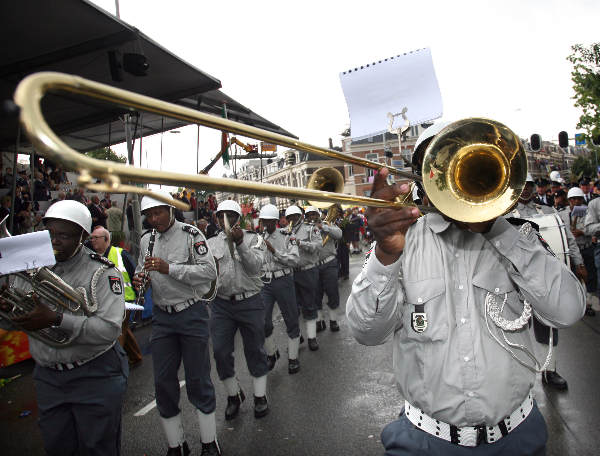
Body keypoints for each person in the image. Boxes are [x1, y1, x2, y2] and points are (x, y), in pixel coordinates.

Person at [346, 122, 585, 455]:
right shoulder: (401, 243)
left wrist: (500, 230)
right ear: (422, 182)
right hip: (424, 442)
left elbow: (568, 311)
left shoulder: (520, 237)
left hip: (517, 437)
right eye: (440, 169)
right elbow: (366, 332)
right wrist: (386, 253)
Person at [0, 200, 128, 455]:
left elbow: (109, 330)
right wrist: (5, 310)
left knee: (97, 448)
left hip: (95, 373)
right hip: (48, 377)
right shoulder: (28, 263)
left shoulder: (103, 272)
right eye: (50, 233)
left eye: (64, 236)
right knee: (57, 446)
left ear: (82, 236)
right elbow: (17, 318)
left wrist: (57, 319)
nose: (54, 241)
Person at [132, 190, 220, 456]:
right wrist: (139, 279)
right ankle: (176, 444)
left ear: (171, 210)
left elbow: (208, 272)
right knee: (162, 382)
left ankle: (208, 442)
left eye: (158, 212)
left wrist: (169, 268)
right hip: (162, 317)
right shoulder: (147, 238)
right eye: (149, 215)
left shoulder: (192, 235)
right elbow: (141, 269)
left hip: (190, 313)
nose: (154, 219)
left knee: (198, 378)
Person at [507, 174, 585, 391]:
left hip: (543, 279)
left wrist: (577, 263)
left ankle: (550, 371)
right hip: (514, 280)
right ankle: (518, 375)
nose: (525, 190)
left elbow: (567, 238)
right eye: (521, 186)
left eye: (529, 186)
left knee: (548, 327)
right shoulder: (502, 214)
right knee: (515, 327)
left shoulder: (549, 211)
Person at [206, 200, 270, 420]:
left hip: (250, 301)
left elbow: (255, 267)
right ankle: (234, 395)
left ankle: (260, 396)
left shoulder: (254, 238)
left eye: (231, 216)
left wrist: (241, 243)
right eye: (222, 215)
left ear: (239, 219)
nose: (226, 220)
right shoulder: (211, 243)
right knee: (221, 352)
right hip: (222, 304)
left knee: (255, 349)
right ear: (216, 218)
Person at [258, 203, 301, 374]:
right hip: (265, 283)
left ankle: (293, 357)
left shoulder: (286, 235)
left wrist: (274, 251)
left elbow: (295, 260)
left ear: (275, 221)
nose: (265, 224)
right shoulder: (257, 237)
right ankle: (271, 353)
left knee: (291, 318)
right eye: (263, 221)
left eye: (269, 221)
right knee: (263, 321)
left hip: (283, 280)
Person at [90, 226, 143, 364]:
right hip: (105, 301)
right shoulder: (93, 258)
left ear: (106, 239)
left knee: (117, 329)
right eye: (91, 238)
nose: (92, 241)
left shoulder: (121, 254)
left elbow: (136, 273)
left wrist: (138, 294)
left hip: (124, 300)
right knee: (122, 329)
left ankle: (116, 363)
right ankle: (136, 356)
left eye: (96, 238)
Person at [286, 205, 323, 351]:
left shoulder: (310, 228)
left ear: (300, 216)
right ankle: (297, 335)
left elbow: (318, 246)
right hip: (291, 272)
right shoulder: (285, 231)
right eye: (290, 217)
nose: (293, 219)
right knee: (292, 307)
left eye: (295, 216)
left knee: (309, 304)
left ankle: (312, 337)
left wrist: (300, 243)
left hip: (307, 270)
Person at [305, 206, 343, 333]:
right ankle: (319, 321)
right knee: (316, 295)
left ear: (318, 214)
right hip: (313, 266)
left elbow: (339, 234)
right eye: (309, 215)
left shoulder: (328, 224)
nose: (312, 217)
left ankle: (333, 320)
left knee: (332, 292)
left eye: (314, 214)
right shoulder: (305, 228)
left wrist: (324, 227)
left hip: (329, 263)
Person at [559, 187, 596, 316]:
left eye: (579, 199)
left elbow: (591, 227)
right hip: (571, 251)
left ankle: (588, 303)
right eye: (573, 199)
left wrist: (582, 232)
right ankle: (575, 304)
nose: (576, 201)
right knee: (572, 277)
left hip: (585, 247)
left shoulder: (587, 212)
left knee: (589, 276)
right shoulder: (562, 213)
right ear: (569, 200)